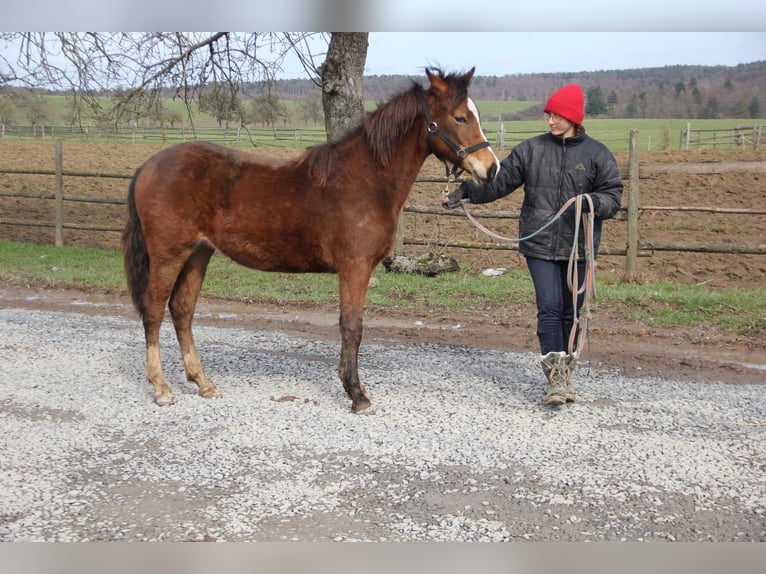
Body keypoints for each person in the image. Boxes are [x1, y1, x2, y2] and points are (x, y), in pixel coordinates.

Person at [442, 84, 624, 406]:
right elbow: (500, 183)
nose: (550, 121)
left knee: (572, 312)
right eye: (548, 115)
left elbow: (613, 197)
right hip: (539, 244)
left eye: (556, 115)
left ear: (572, 117)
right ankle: (555, 378)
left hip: (578, 248)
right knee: (550, 307)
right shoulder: (531, 150)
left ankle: (567, 373)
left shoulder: (597, 154)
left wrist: (591, 201)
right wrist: (467, 191)